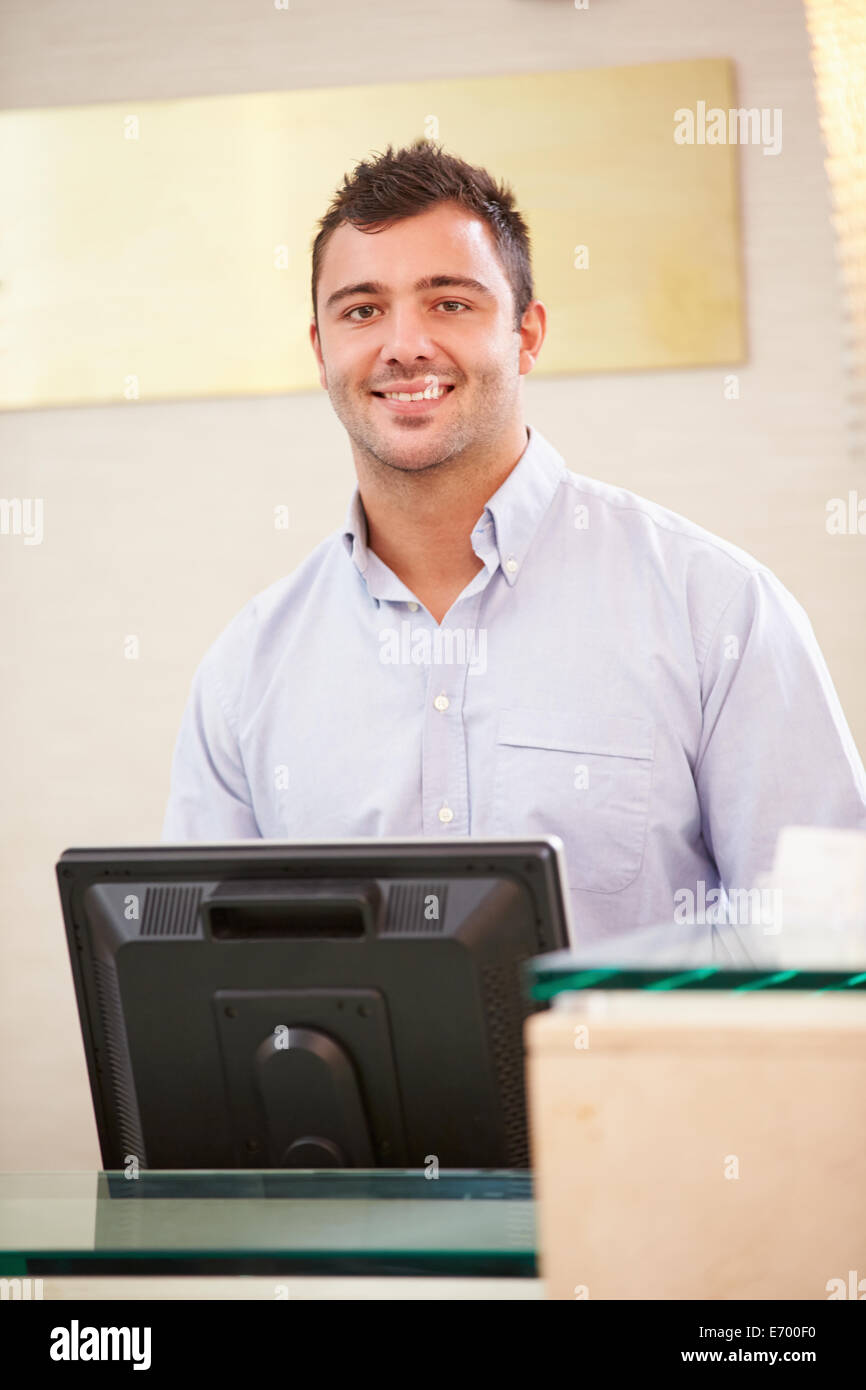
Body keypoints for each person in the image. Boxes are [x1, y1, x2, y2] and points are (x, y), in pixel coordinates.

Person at [161, 140, 866, 943]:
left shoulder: (718, 612)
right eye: (362, 309)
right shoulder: (246, 671)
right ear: (322, 351)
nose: (404, 345)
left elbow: (823, 947)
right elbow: (203, 984)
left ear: (527, 334)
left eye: (449, 303)